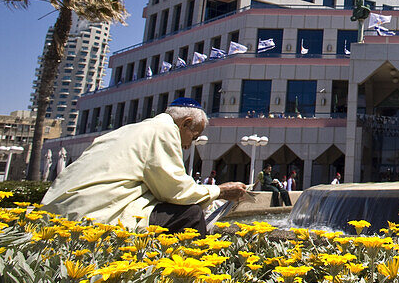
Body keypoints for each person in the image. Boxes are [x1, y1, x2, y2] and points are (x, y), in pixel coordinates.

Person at [42, 98, 247, 233]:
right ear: (185, 123)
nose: (188, 145)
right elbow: (176, 190)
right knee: (190, 215)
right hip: (90, 215)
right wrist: (220, 191)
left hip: (59, 210)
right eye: (193, 137)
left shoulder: (129, 130)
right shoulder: (163, 131)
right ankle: (191, 280)